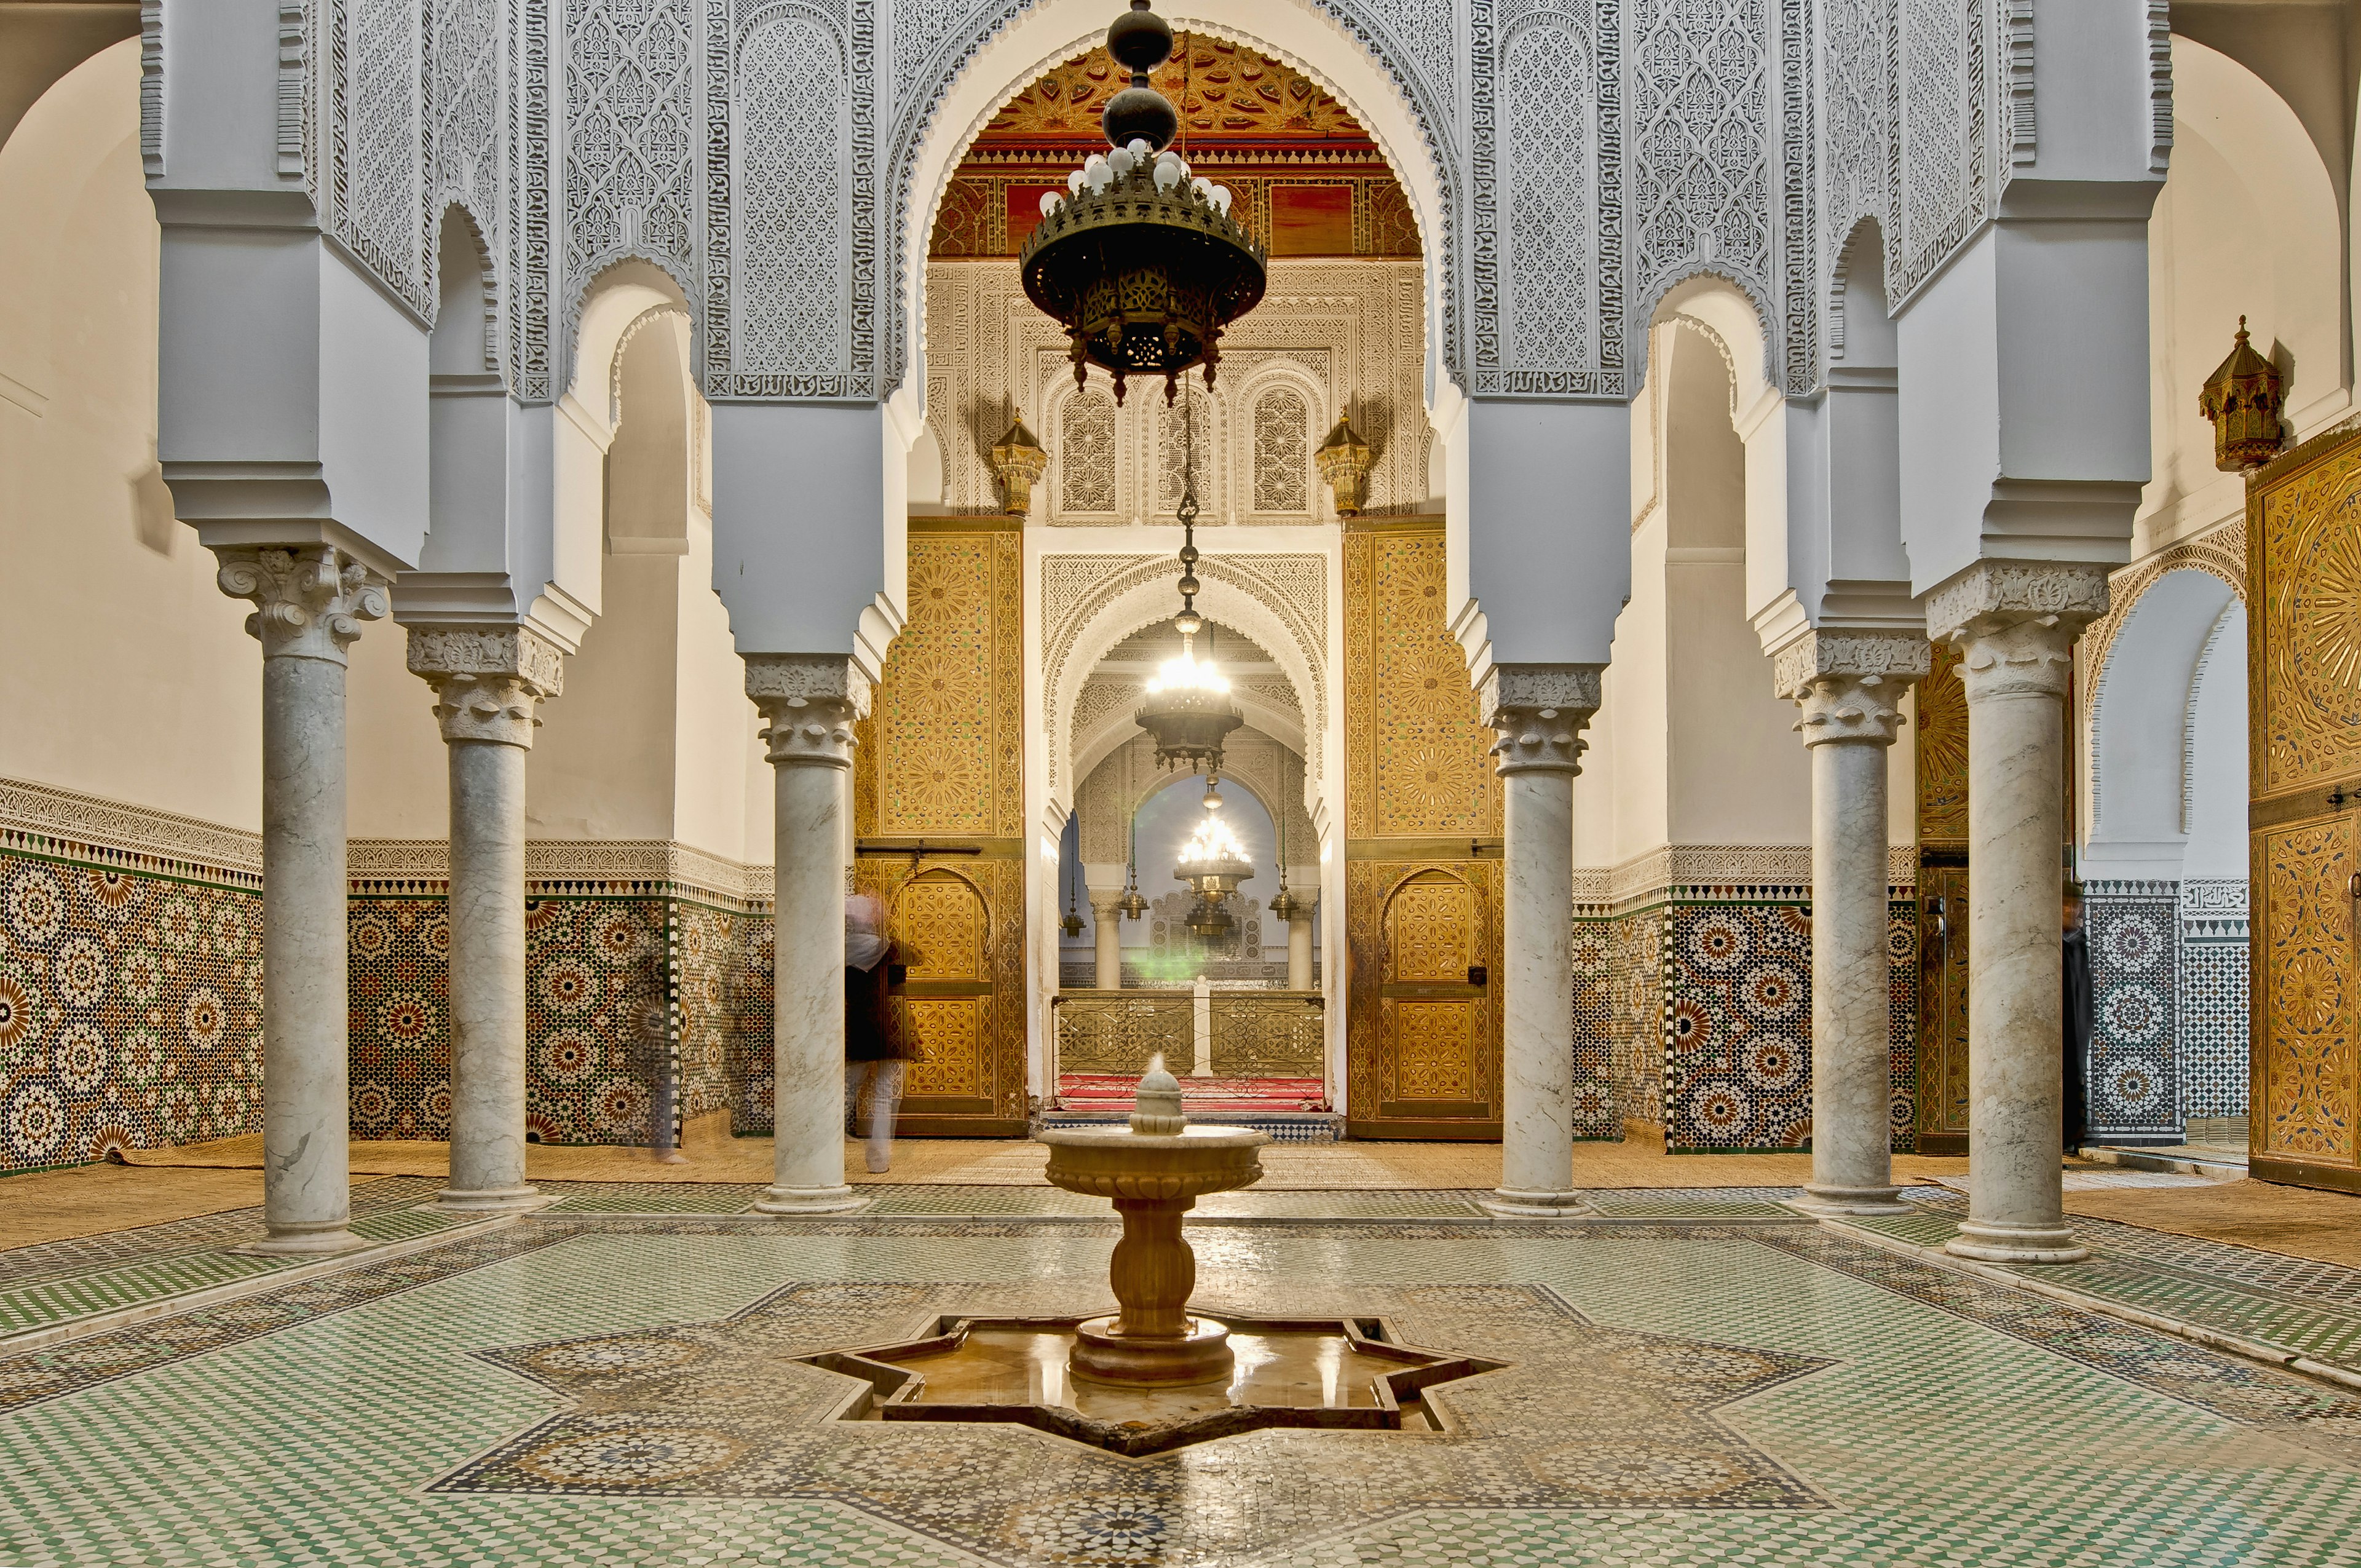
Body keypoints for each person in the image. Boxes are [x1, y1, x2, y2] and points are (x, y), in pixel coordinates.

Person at [844, 893, 919, 1174]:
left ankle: (827, 1155)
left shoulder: (838, 950)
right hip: (889, 1027)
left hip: (857, 1027)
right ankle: (878, 1161)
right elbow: (902, 978)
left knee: (846, 1091)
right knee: (884, 1094)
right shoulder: (890, 948)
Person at [2062, 880, 2092, 1155]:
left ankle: (2071, 1134)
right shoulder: (2052, 945)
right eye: (2065, 905)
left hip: (2074, 1028)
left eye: (2073, 905)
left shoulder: (2076, 942)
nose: (2070, 911)